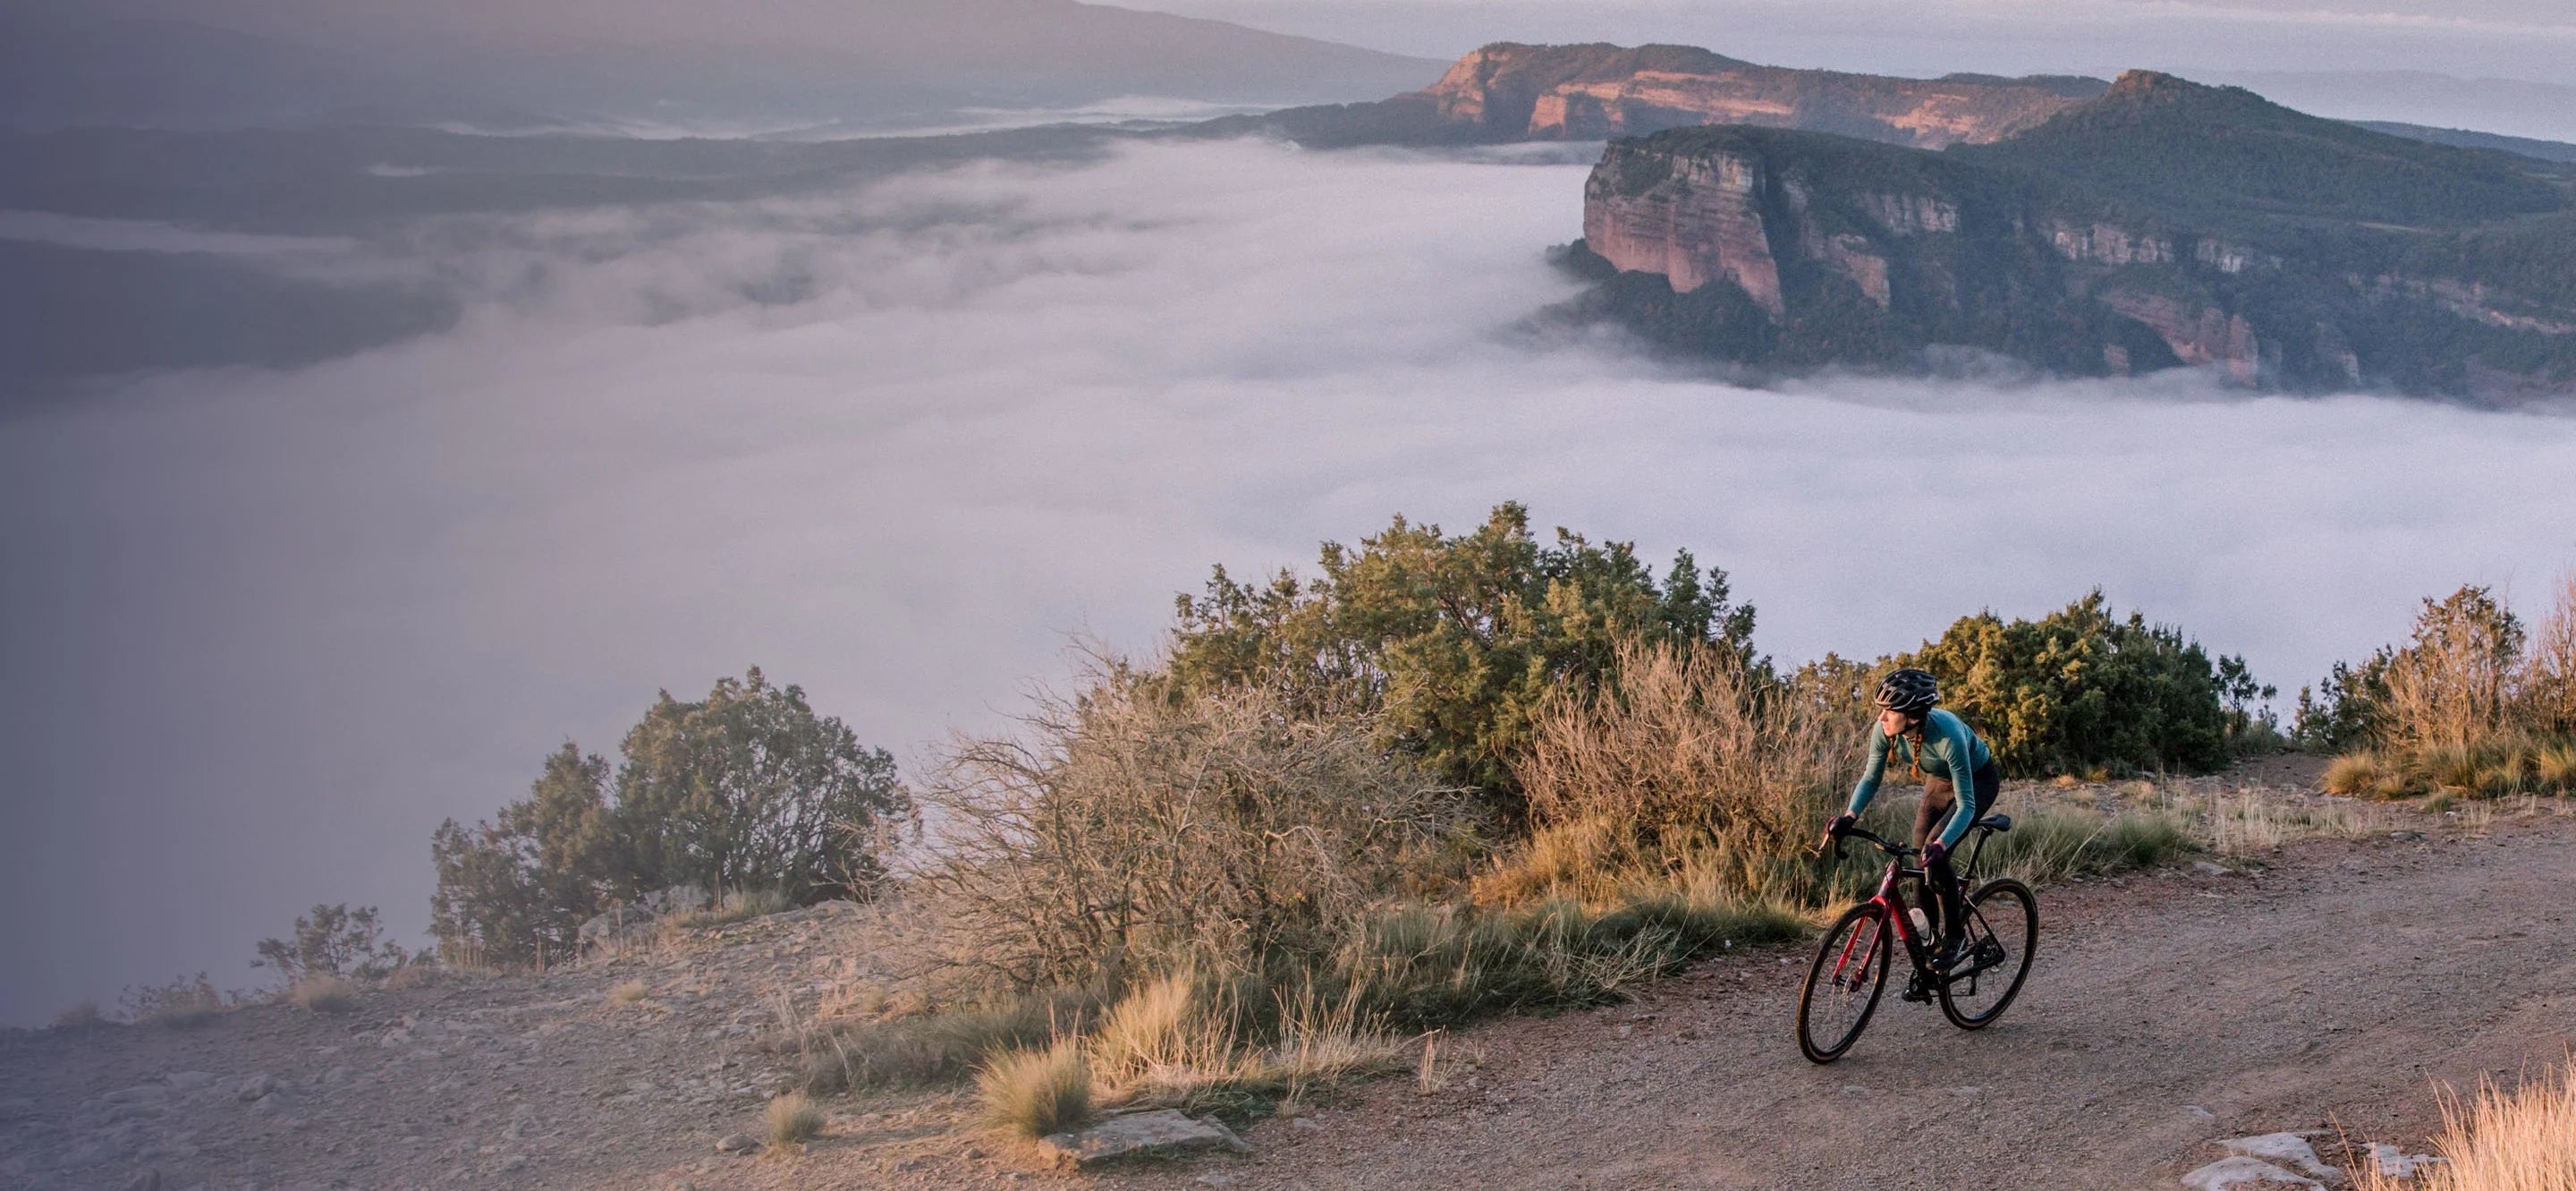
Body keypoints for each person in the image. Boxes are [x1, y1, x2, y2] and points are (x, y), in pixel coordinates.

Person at [1819, 668, 1999, 968]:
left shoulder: (1949, 736)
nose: (1881, 718)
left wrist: (1941, 844)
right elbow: (1871, 777)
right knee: (1919, 854)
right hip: (1939, 782)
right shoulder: (1886, 731)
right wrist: (1850, 815)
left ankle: (1955, 938)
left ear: (1913, 716)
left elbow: (1967, 804)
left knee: (1935, 852)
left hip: (1977, 783)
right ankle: (1929, 942)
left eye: (1889, 711)